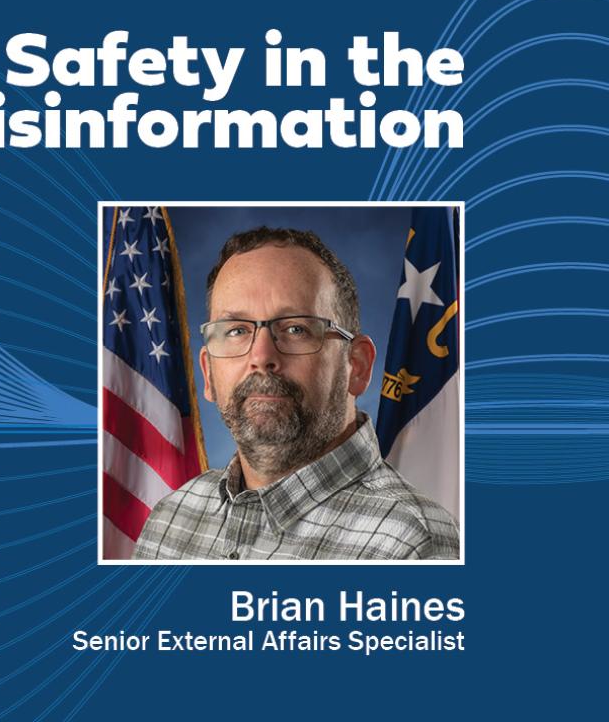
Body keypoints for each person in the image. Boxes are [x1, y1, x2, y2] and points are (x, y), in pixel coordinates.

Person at [133, 226, 459, 560]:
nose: (261, 357)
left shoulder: (410, 544)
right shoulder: (169, 519)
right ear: (208, 373)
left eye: (295, 329)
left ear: (357, 366)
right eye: (236, 330)